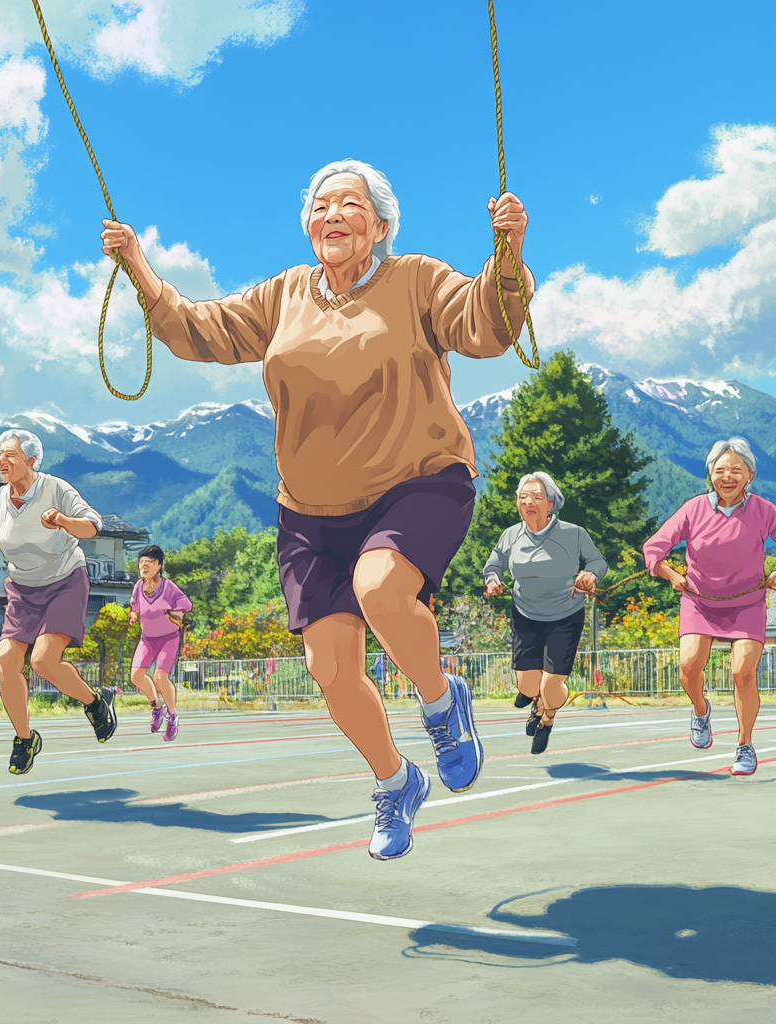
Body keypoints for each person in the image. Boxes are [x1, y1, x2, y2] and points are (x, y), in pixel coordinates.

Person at [101, 158, 534, 859]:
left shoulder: (416, 279)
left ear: (382, 225)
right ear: (307, 226)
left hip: (417, 477)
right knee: (330, 667)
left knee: (381, 589)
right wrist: (138, 267)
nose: (332, 214)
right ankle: (396, 782)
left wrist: (506, 255)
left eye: (350, 204)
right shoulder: (282, 297)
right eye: (321, 205)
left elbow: (485, 326)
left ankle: (438, 701)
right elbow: (199, 329)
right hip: (310, 508)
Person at [643, 437, 776, 776]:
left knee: (743, 673)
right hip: (698, 601)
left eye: (736, 470)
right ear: (710, 474)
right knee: (689, 667)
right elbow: (654, 548)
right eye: (720, 470)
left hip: (747, 604)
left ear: (749, 475)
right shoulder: (693, 509)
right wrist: (670, 574)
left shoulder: (764, 510)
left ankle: (745, 746)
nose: (727, 476)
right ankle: (700, 709)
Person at [0, 429, 118, 774]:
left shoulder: (56, 488)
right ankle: (25, 739)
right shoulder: (0, 497)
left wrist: (63, 521)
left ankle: (95, 702)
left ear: (32, 461)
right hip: (23, 590)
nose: (1, 460)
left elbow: (92, 526)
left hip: (65, 582)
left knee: (42, 661)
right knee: (6, 662)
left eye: (10, 455)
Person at [483, 473, 607, 753]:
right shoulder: (511, 535)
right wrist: (492, 581)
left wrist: (590, 574)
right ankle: (533, 699)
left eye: (536, 497)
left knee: (551, 688)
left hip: (565, 614)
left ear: (551, 503)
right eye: (522, 497)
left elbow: (598, 561)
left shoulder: (573, 533)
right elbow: (493, 565)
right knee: (527, 686)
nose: (528, 502)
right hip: (525, 613)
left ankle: (546, 717)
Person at [127, 545, 192, 741]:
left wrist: (177, 612)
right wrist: (133, 614)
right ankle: (156, 707)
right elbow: (134, 605)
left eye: (149, 562)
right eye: (141, 562)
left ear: (159, 565)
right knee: (136, 676)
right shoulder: (139, 586)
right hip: (147, 639)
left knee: (160, 677)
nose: (144, 566)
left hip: (168, 638)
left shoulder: (168, 586)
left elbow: (186, 603)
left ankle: (172, 717)